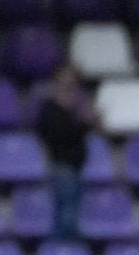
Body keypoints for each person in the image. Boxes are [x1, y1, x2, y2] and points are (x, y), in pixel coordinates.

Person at [36, 66, 95, 241]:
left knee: (70, 213)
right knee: (66, 215)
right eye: (65, 83)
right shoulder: (50, 109)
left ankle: (67, 253)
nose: (69, 88)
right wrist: (84, 123)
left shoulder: (72, 109)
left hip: (74, 168)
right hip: (62, 168)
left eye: (73, 84)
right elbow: (62, 134)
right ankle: (57, 252)